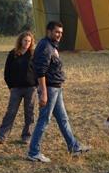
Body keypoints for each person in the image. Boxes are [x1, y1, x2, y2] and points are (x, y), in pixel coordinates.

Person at [26, 21, 89, 162]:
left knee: (63, 119)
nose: (59, 35)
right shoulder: (45, 47)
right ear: (49, 32)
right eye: (56, 32)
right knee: (44, 120)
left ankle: (74, 147)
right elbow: (40, 71)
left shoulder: (51, 45)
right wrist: (43, 93)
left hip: (56, 88)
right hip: (50, 89)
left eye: (61, 32)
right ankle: (33, 152)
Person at [0, 31, 37, 145]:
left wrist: (36, 85)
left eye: (29, 41)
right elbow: (7, 72)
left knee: (29, 113)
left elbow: (39, 71)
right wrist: (11, 86)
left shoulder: (33, 54)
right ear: (20, 41)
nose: (27, 43)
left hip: (30, 89)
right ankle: (1, 137)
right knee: (11, 112)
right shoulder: (13, 54)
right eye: (25, 40)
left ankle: (27, 136)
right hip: (16, 89)